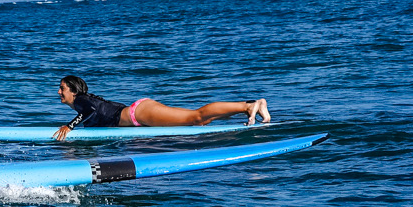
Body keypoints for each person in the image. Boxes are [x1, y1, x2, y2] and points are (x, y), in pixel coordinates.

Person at [51, 74, 268, 141]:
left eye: (62, 88)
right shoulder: (85, 101)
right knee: (201, 120)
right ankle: (251, 106)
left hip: (139, 115)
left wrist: (69, 127)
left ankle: (247, 106)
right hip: (140, 112)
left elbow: (90, 112)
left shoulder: (81, 101)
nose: (59, 92)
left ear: (74, 90)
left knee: (197, 116)